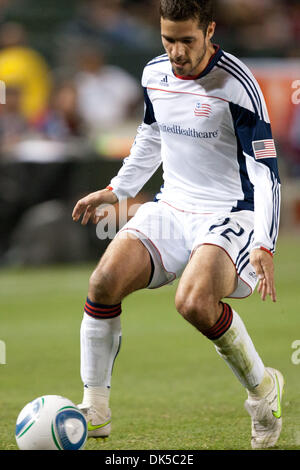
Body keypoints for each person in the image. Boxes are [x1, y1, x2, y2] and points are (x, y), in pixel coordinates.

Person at [72, 0, 284, 450]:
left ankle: (262, 390)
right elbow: (151, 134)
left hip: (231, 211)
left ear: (209, 31)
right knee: (103, 282)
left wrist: (265, 240)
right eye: (168, 39)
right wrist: (120, 189)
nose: (177, 51)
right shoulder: (154, 74)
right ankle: (96, 407)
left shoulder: (237, 84)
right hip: (173, 206)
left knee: (193, 302)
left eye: (187, 40)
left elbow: (266, 170)